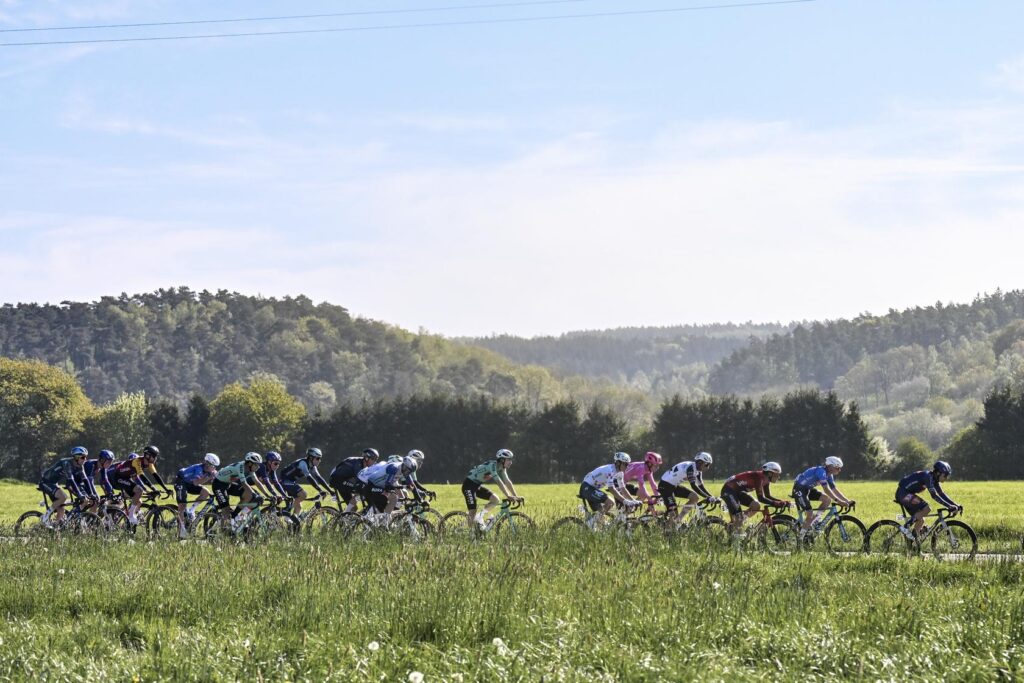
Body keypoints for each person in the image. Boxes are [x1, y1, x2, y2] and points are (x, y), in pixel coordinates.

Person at [107, 445, 171, 526]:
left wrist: (166, 488)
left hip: (126, 478)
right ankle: (130, 515)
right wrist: (152, 488)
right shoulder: (136, 461)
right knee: (139, 490)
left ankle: (122, 517)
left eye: (156, 456)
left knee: (138, 497)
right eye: (154, 456)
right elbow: (142, 477)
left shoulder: (149, 464)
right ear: (147, 455)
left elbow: (156, 476)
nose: (155, 458)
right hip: (117, 477)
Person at [896, 460, 961, 538]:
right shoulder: (928, 477)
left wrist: (955, 505)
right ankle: (905, 529)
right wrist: (949, 506)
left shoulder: (934, 479)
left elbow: (941, 494)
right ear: (938, 473)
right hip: (903, 493)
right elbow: (934, 496)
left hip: (906, 494)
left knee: (921, 520)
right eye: (945, 475)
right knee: (927, 508)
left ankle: (911, 542)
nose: (946, 478)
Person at [721, 462, 791, 533]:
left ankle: (736, 524)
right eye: (777, 475)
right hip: (728, 490)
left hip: (737, 491)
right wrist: (775, 503)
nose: (778, 477)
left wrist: (781, 501)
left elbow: (768, 496)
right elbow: (761, 498)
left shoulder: (766, 480)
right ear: (770, 473)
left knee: (756, 506)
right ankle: (736, 533)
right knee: (739, 518)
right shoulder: (759, 477)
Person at [462, 449, 523, 530]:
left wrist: (515, 496)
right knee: (472, 510)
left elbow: (507, 481)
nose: (510, 462)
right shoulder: (492, 466)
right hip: (468, 486)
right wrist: (508, 495)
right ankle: (470, 534)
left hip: (476, 486)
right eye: (509, 460)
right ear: (502, 460)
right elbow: (499, 482)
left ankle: (479, 517)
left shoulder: (501, 468)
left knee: (495, 500)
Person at [792, 456, 855, 535]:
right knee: (810, 514)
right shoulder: (821, 472)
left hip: (808, 489)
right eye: (837, 467)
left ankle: (815, 520)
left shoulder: (829, 475)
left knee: (827, 499)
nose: (839, 470)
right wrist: (838, 501)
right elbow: (826, 489)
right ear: (830, 466)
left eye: (840, 468)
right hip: (799, 489)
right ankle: (801, 538)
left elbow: (834, 489)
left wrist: (846, 500)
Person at [212, 452, 271, 531]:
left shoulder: (250, 469)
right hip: (219, 484)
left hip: (229, 484)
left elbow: (257, 482)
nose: (258, 467)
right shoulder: (240, 467)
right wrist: (254, 495)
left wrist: (267, 495)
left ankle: (234, 515)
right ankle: (223, 533)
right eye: (256, 465)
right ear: (249, 463)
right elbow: (244, 483)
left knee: (248, 495)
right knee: (225, 509)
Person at [579, 452, 640, 526]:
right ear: (618, 463)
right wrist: (624, 501)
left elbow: (623, 488)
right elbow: (611, 489)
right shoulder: (610, 470)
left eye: (628, 464)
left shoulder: (620, 473)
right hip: (587, 487)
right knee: (610, 502)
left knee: (601, 519)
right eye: (625, 464)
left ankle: (591, 525)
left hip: (593, 489)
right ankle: (589, 524)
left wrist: (633, 501)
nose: (627, 467)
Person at [658, 452, 717, 524]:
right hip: (665, 485)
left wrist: (710, 496)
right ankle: (668, 532)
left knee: (695, 497)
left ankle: (679, 519)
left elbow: (701, 486)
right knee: (673, 514)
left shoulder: (698, 471)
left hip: (673, 485)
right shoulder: (691, 468)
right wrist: (707, 497)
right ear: (700, 462)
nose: (708, 467)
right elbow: (694, 486)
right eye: (707, 464)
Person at [37, 446, 91, 526]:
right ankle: (45, 517)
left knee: (61, 510)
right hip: (45, 482)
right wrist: (79, 494)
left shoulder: (79, 466)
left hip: (54, 483)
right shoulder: (66, 463)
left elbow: (85, 480)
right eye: (83, 457)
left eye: (86, 457)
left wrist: (91, 493)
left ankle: (55, 529)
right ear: (76, 457)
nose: (85, 459)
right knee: (63, 497)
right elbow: (71, 480)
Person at [174, 453, 221, 538]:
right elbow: (196, 483)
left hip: (190, 483)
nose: (214, 468)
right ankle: (182, 530)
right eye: (213, 466)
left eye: (215, 467)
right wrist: (208, 477)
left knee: (206, 492)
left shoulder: (210, 471)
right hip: (181, 481)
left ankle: (191, 510)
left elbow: (217, 478)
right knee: (182, 505)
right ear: (207, 464)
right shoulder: (199, 468)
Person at [279, 447, 331, 516]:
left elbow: (319, 478)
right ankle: (289, 514)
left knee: (299, 507)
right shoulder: (303, 463)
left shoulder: (312, 466)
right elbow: (309, 478)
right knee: (303, 495)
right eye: (317, 458)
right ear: (311, 458)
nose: (319, 461)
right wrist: (320, 490)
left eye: (320, 458)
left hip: (290, 481)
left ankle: (292, 521)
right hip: (284, 480)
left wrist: (330, 491)